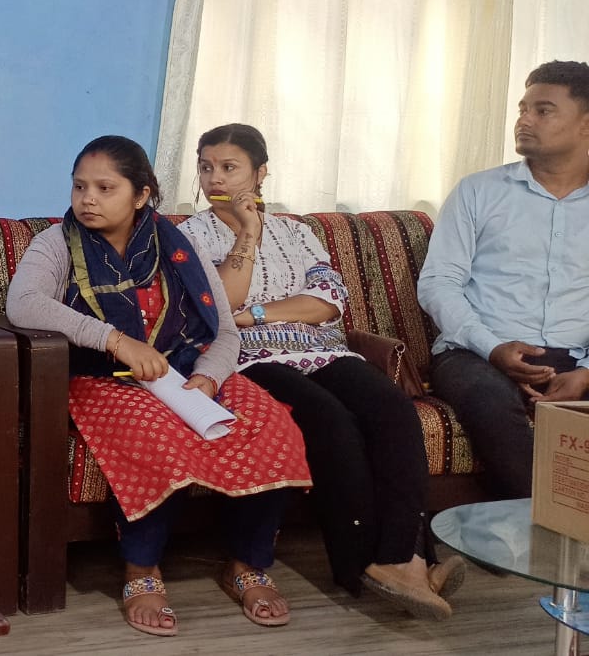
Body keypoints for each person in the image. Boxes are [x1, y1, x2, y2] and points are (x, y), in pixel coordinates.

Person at [6, 135, 312, 637]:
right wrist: (115, 340)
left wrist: (208, 378)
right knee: (155, 432)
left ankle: (248, 564)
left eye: (105, 188)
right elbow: (24, 303)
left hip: (186, 370)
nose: (87, 199)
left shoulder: (179, 247)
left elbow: (225, 331)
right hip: (103, 377)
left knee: (270, 423)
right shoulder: (58, 242)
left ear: (141, 194)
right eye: (80, 187)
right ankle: (142, 570)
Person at [179, 123, 457, 620]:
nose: (215, 178)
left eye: (229, 167)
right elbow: (221, 305)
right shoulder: (189, 235)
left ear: (260, 173)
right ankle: (361, 569)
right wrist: (247, 235)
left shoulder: (296, 232)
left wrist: (257, 313)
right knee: (330, 420)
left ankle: (404, 559)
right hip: (246, 358)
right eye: (206, 167)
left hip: (322, 349)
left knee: (393, 409)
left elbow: (328, 302)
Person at [420, 60, 589, 500]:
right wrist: (492, 347)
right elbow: (439, 282)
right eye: (522, 108)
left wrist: (585, 372)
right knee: (489, 401)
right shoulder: (478, 191)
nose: (524, 120)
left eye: (543, 110)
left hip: (577, 353)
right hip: (476, 352)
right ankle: (549, 524)